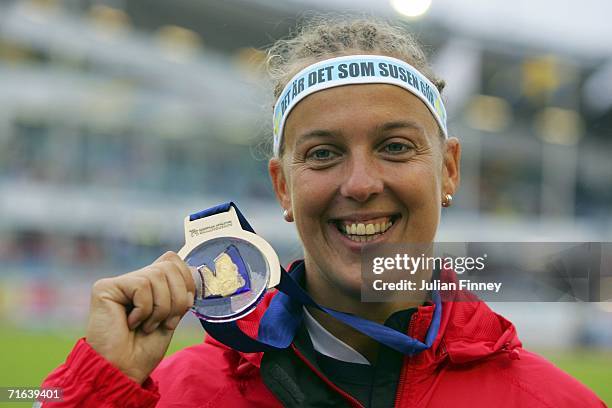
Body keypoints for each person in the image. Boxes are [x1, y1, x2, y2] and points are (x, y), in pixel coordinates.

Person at [40, 16, 606, 407]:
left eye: (395, 146)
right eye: (323, 154)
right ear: (283, 187)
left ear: (449, 170)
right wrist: (95, 388)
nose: (360, 184)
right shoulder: (177, 393)